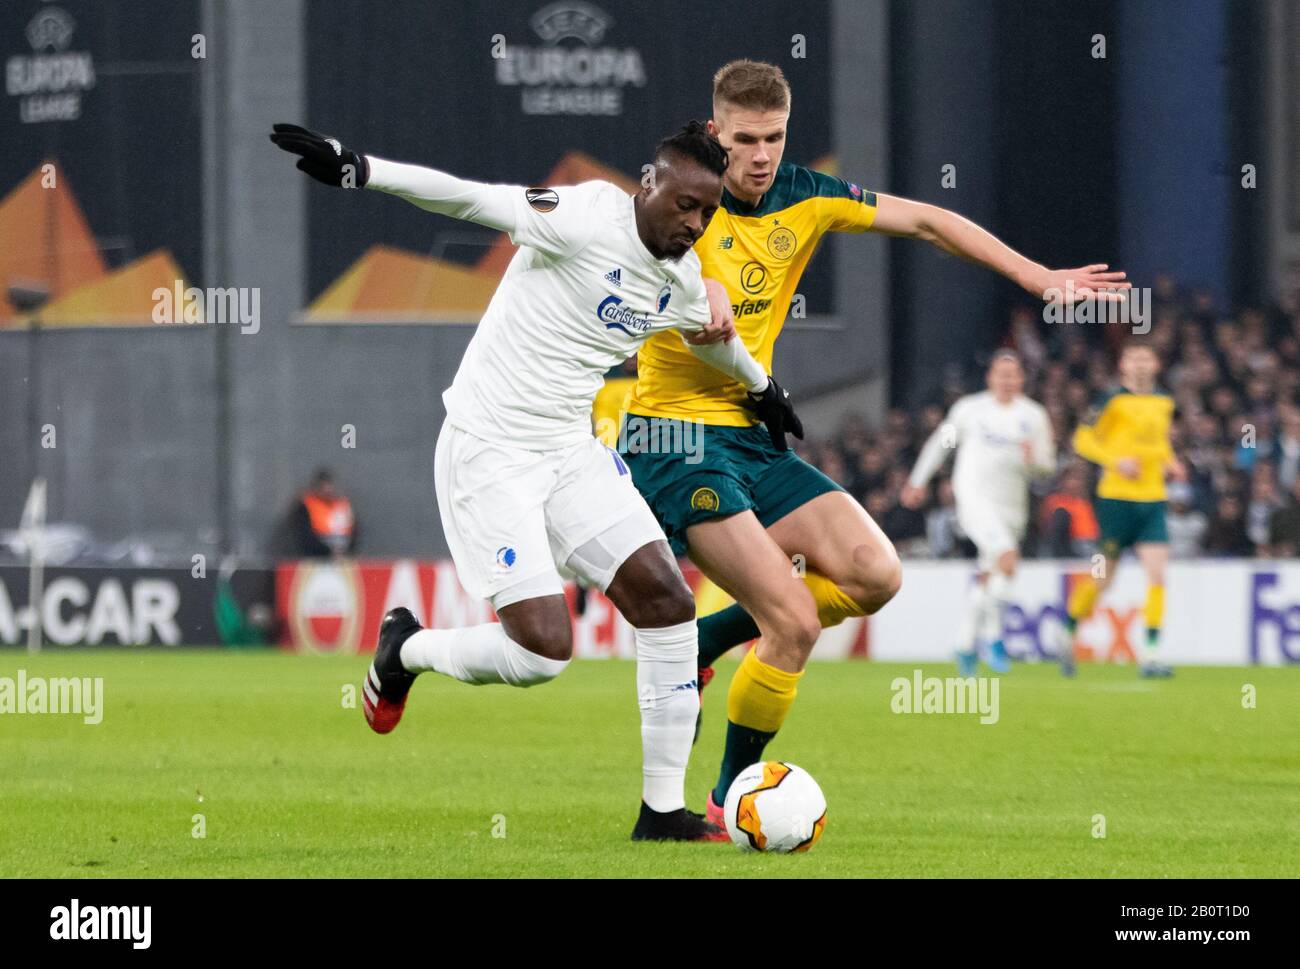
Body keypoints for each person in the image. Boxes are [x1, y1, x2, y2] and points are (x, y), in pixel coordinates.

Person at [621, 58, 1129, 822]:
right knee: (791, 619)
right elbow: (630, 255)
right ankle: (730, 800)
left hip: (752, 438)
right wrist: (694, 280)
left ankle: (703, 647)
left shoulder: (806, 197)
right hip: (675, 436)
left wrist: (1036, 276)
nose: (761, 155)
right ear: (717, 130)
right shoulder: (677, 198)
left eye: (777, 137)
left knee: (876, 573)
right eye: (747, 139)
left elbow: (929, 220)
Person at [270, 120, 800, 842]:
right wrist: (362, 169)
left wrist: (766, 391)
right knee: (542, 652)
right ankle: (406, 649)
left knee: (669, 605)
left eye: (707, 213)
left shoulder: (678, 278)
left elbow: (718, 341)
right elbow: (469, 200)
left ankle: (661, 811)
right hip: (489, 449)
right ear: (651, 183)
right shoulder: (584, 218)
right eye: (685, 205)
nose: (695, 224)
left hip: (568, 452)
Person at [902, 351, 1056, 675]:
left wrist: (1034, 461)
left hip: (1013, 506)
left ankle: (964, 641)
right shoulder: (969, 410)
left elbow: (1047, 468)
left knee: (993, 573)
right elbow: (940, 444)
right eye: (1001, 373)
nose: (1006, 380)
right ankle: (993, 637)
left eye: (1012, 375)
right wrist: (918, 480)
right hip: (974, 500)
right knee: (1007, 558)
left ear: (1021, 379)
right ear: (991, 378)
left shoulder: (1034, 416)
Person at [1053, 342, 1185, 678]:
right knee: (1102, 577)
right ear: (1123, 364)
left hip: (1153, 499)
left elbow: (1158, 442)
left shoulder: (1164, 401)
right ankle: (1067, 630)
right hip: (1115, 500)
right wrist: (1116, 461)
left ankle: (1152, 654)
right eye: (1133, 358)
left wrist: (1171, 461)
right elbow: (1082, 439)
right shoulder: (1109, 399)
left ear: (1155, 363)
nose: (1140, 364)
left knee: (1158, 575)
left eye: (1146, 358)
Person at [290, 469, 356, 557]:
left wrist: (345, 549)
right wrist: (327, 551)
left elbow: (353, 529)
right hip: (317, 556)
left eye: (330, 485)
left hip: (343, 555)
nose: (328, 490)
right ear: (316, 487)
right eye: (323, 486)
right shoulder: (307, 505)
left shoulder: (342, 504)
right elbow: (305, 534)